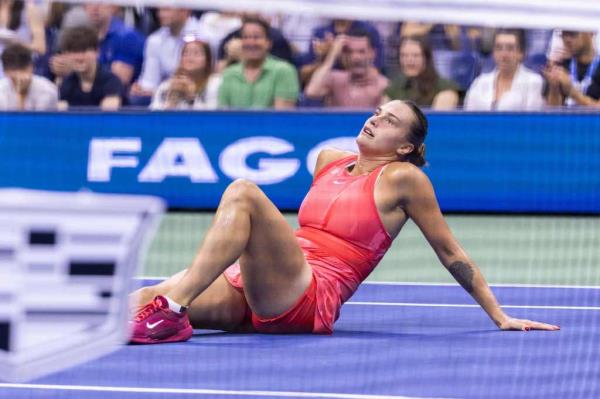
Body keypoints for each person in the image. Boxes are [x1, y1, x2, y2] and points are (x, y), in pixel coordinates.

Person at [129, 99, 560, 344]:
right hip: (262, 286)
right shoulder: (329, 161)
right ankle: (157, 308)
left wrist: (498, 314)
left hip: (308, 296)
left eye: (389, 121)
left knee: (243, 192)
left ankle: (173, 310)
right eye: (377, 112)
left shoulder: (404, 179)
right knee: (137, 302)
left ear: (407, 147)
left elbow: (451, 252)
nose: (375, 119)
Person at [217, 17, 299, 109]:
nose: (251, 42)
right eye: (246, 37)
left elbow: (282, 117)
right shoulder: (229, 73)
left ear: (268, 43)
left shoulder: (284, 70)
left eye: (257, 37)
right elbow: (222, 115)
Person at [304, 29, 388, 108]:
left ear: (372, 53)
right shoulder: (336, 79)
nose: (355, 57)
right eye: (350, 51)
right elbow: (311, 91)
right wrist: (332, 54)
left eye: (361, 51)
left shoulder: (383, 86)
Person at [464, 29, 544, 111]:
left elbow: (532, 120)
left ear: (521, 53)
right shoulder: (480, 82)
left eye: (510, 48)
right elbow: (467, 118)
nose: (504, 54)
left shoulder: (533, 81)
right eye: (498, 48)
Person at [131, 7, 199, 98]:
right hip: (164, 95)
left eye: (166, 10)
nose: (160, 14)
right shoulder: (154, 40)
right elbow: (150, 81)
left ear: (184, 11)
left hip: (199, 92)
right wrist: (142, 89)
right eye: (159, 10)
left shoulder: (204, 36)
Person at [384, 36, 459, 109]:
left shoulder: (445, 89)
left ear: (426, 58)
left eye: (415, 55)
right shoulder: (395, 86)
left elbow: (439, 120)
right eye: (404, 55)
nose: (409, 60)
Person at [58, 26, 123, 110]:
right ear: (66, 55)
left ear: (97, 52)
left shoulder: (111, 81)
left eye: (84, 51)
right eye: (74, 51)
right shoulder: (67, 83)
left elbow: (109, 115)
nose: (79, 58)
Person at [150, 38, 220, 110]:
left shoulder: (215, 84)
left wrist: (191, 98)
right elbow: (154, 115)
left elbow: (212, 116)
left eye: (196, 53)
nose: (190, 58)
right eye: (185, 53)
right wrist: (171, 100)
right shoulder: (166, 86)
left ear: (207, 60)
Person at [544, 30, 600, 107]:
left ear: (591, 32)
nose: (567, 40)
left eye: (573, 33)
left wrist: (572, 92)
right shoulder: (560, 66)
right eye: (564, 34)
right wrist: (554, 88)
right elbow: (550, 113)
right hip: (565, 119)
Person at [0, 42, 58, 110]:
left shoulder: (47, 89)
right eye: (13, 78)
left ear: (31, 67)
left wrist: (22, 95)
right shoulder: (1, 89)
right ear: (5, 72)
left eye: (23, 73)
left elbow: (39, 120)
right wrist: (21, 96)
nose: (20, 79)